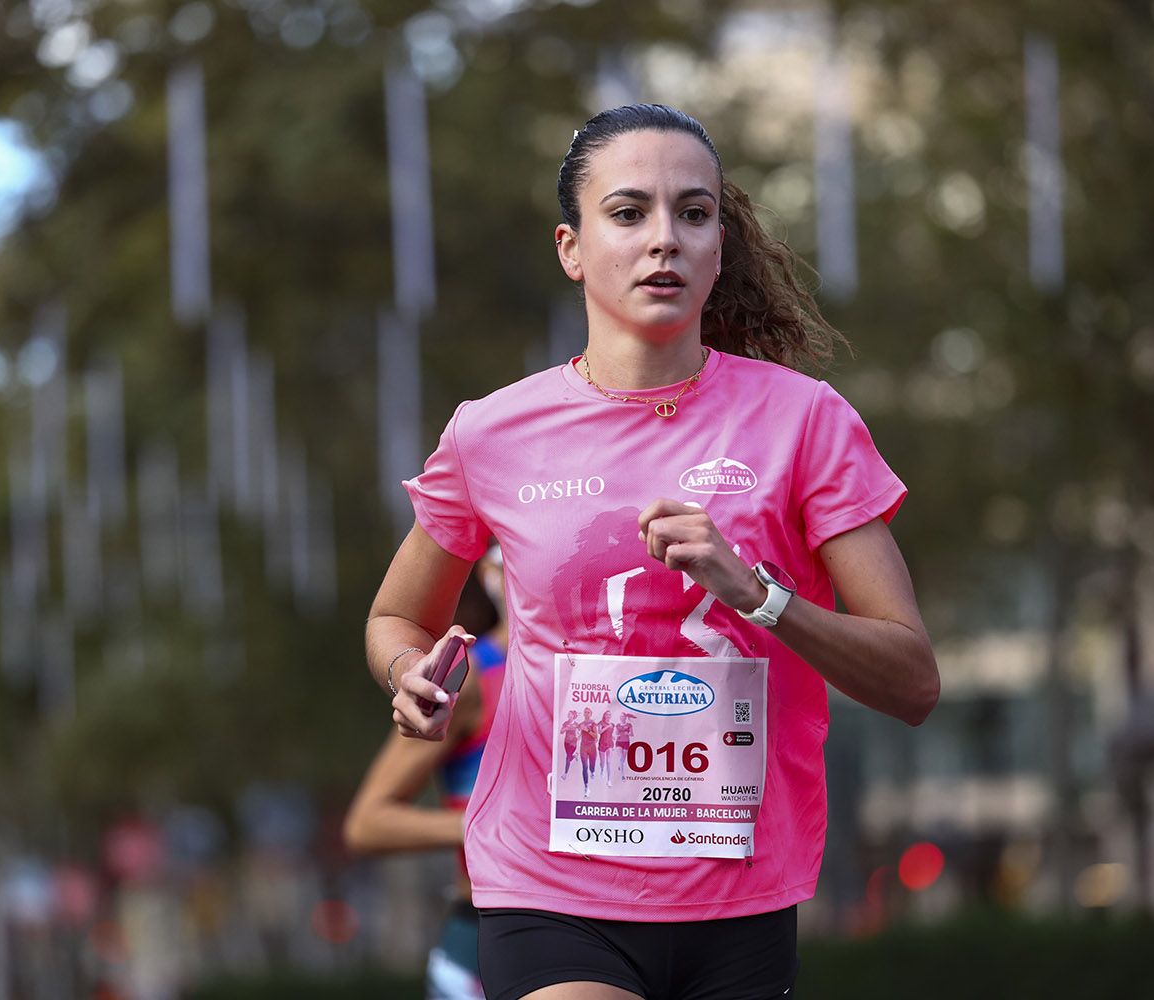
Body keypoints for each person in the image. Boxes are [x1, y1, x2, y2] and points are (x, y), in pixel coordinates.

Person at [366, 103, 940, 1000]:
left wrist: (755, 592)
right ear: (572, 247)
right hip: (548, 883)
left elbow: (912, 681)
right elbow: (396, 614)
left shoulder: (806, 421)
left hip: (742, 892)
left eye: (694, 213)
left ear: (720, 246)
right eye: (629, 213)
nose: (664, 239)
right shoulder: (492, 434)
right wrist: (408, 673)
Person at [346, 552, 508, 1000]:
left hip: (594, 928)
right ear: (490, 573)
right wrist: (487, 824)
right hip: (483, 930)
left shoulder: (600, 672)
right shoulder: (477, 678)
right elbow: (367, 822)